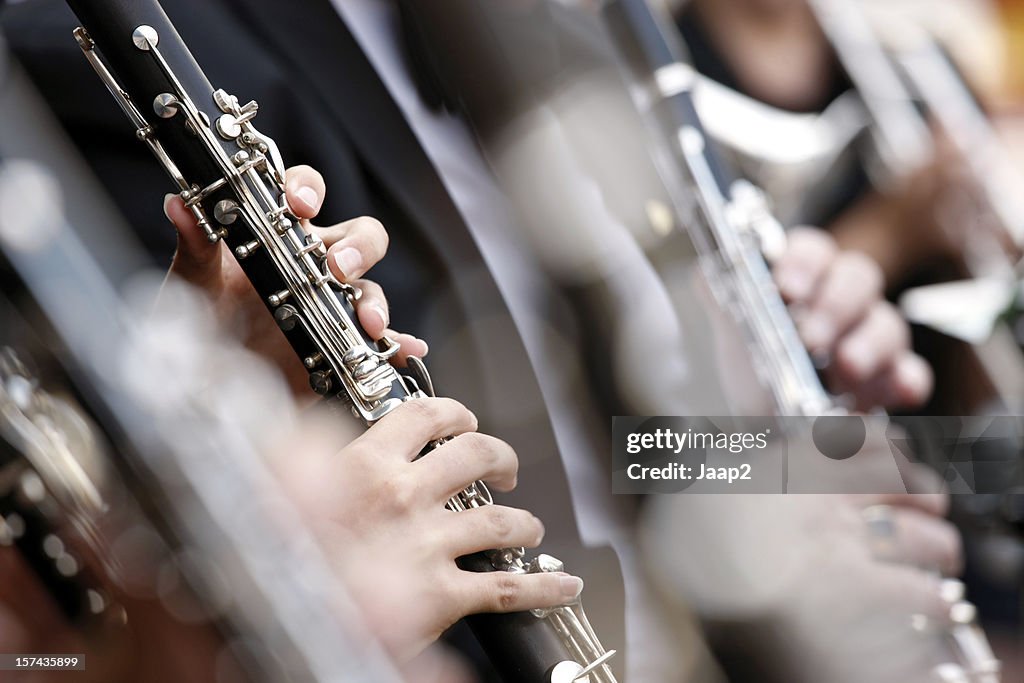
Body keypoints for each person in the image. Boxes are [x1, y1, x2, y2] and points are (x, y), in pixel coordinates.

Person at [0, 1, 962, 680]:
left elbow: (605, 441)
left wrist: (775, 462)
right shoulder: (93, 47)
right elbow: (88, 606)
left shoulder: (569, 29)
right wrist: (266, 564)